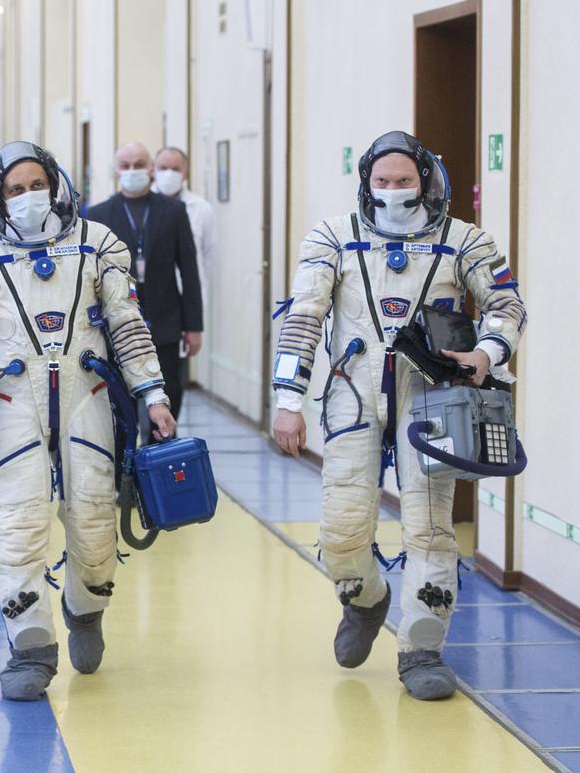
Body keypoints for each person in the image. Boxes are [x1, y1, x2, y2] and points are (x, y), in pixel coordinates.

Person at [271, 130, 527, 701]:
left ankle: (421, 649)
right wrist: (288, 403)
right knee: (341, 531)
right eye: (381, 182)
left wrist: (488, 352)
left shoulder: (465, 241)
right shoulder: (333, 238)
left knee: (430, 528)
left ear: (426, 181)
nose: (392, 192)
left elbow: (507, 304)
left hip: (432, 399)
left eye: (403, 181)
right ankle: (364, 598)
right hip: (352, 394)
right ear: (365, 183)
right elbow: (303, 319)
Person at [0, 141, 176, 701]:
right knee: (20, 527)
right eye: (14, 191)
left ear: (57, 183)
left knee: (93, 522)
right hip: (9, 402)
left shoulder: (98, 244)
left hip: (85, 395)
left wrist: (153, 393)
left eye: (35, 185)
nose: (27, 198)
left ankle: (86, 609)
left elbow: (127, 322)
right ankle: (31, 647)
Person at [86, 142, 203, 420]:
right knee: (121, 402)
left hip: (165, 321)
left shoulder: (173, 210)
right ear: (116, 170)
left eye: (139, 164)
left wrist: (193, 326)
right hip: (115, 325)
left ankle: (160, 454)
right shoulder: (98, 215)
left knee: (169, 393)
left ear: (151, 169)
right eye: (125, 165)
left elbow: (188, 270)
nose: (132, 170)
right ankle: (126, 460)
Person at [153, 146, 215, 314]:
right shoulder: (142, 206)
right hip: (150, 299)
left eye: (175, 169)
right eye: (163, 168)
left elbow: (207, 257)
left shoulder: (202, 209)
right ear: (153, 170)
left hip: (187, 299)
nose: (168, 174)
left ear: (185, 173)